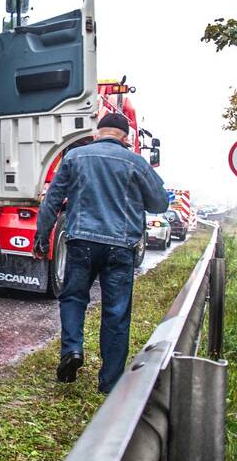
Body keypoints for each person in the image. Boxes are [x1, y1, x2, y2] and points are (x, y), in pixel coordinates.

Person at [32, 112, 169, 394]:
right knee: (116, 312)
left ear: (98, 132)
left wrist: (42, 238)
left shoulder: (75, 157)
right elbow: (158, 204)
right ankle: (109, 382)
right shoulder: (137, 162)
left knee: (73, 298)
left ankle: (72, 350)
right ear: (126, 138)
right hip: (121, 246)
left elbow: (52, 201)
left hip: (82, 241)